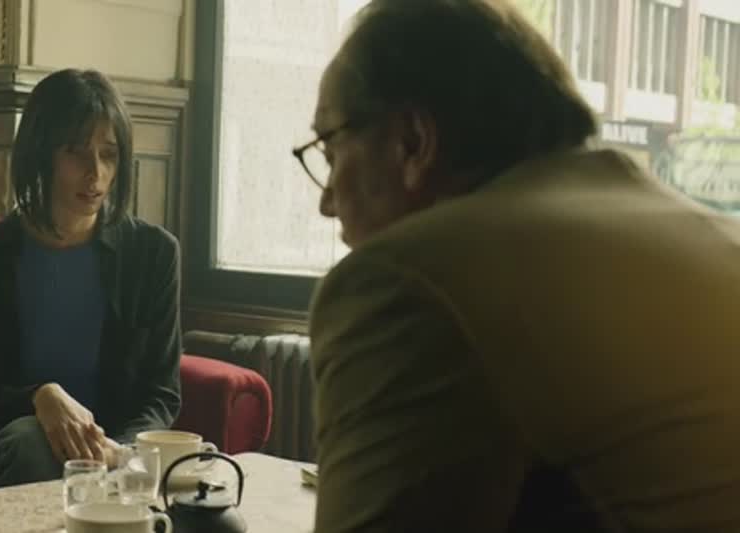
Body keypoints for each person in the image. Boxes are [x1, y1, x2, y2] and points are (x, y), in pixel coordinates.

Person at [303, 0, 740, 531]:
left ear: (413, 141)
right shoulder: (714, 240)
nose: (327, 202)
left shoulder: (409, 280)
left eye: (330, 152)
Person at [0, 68, 182, 488]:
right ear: (41, 153)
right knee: (29, 443)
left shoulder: (154, 254)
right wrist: (42, 395)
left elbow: (162, 392)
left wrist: (120, 451)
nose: (96, 173)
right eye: (76, 153)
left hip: (120, 447)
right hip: (28, 437)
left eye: (109, 155)